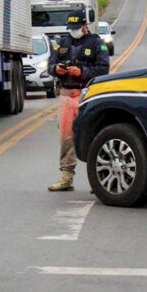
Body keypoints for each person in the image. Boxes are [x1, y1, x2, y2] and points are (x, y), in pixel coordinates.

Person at [47, 11, 110, 191]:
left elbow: (103, 70)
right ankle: (66, 178)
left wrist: (82, 72)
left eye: (77, 28)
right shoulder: (62, 43)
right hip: (66, 94)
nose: (74, 31)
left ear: (85, 25)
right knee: (66, 138)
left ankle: (99, 181)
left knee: (93, 136)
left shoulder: (97, 43)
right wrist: (56, 69)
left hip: (87, 94)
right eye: (71, 28)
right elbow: (51, 64)